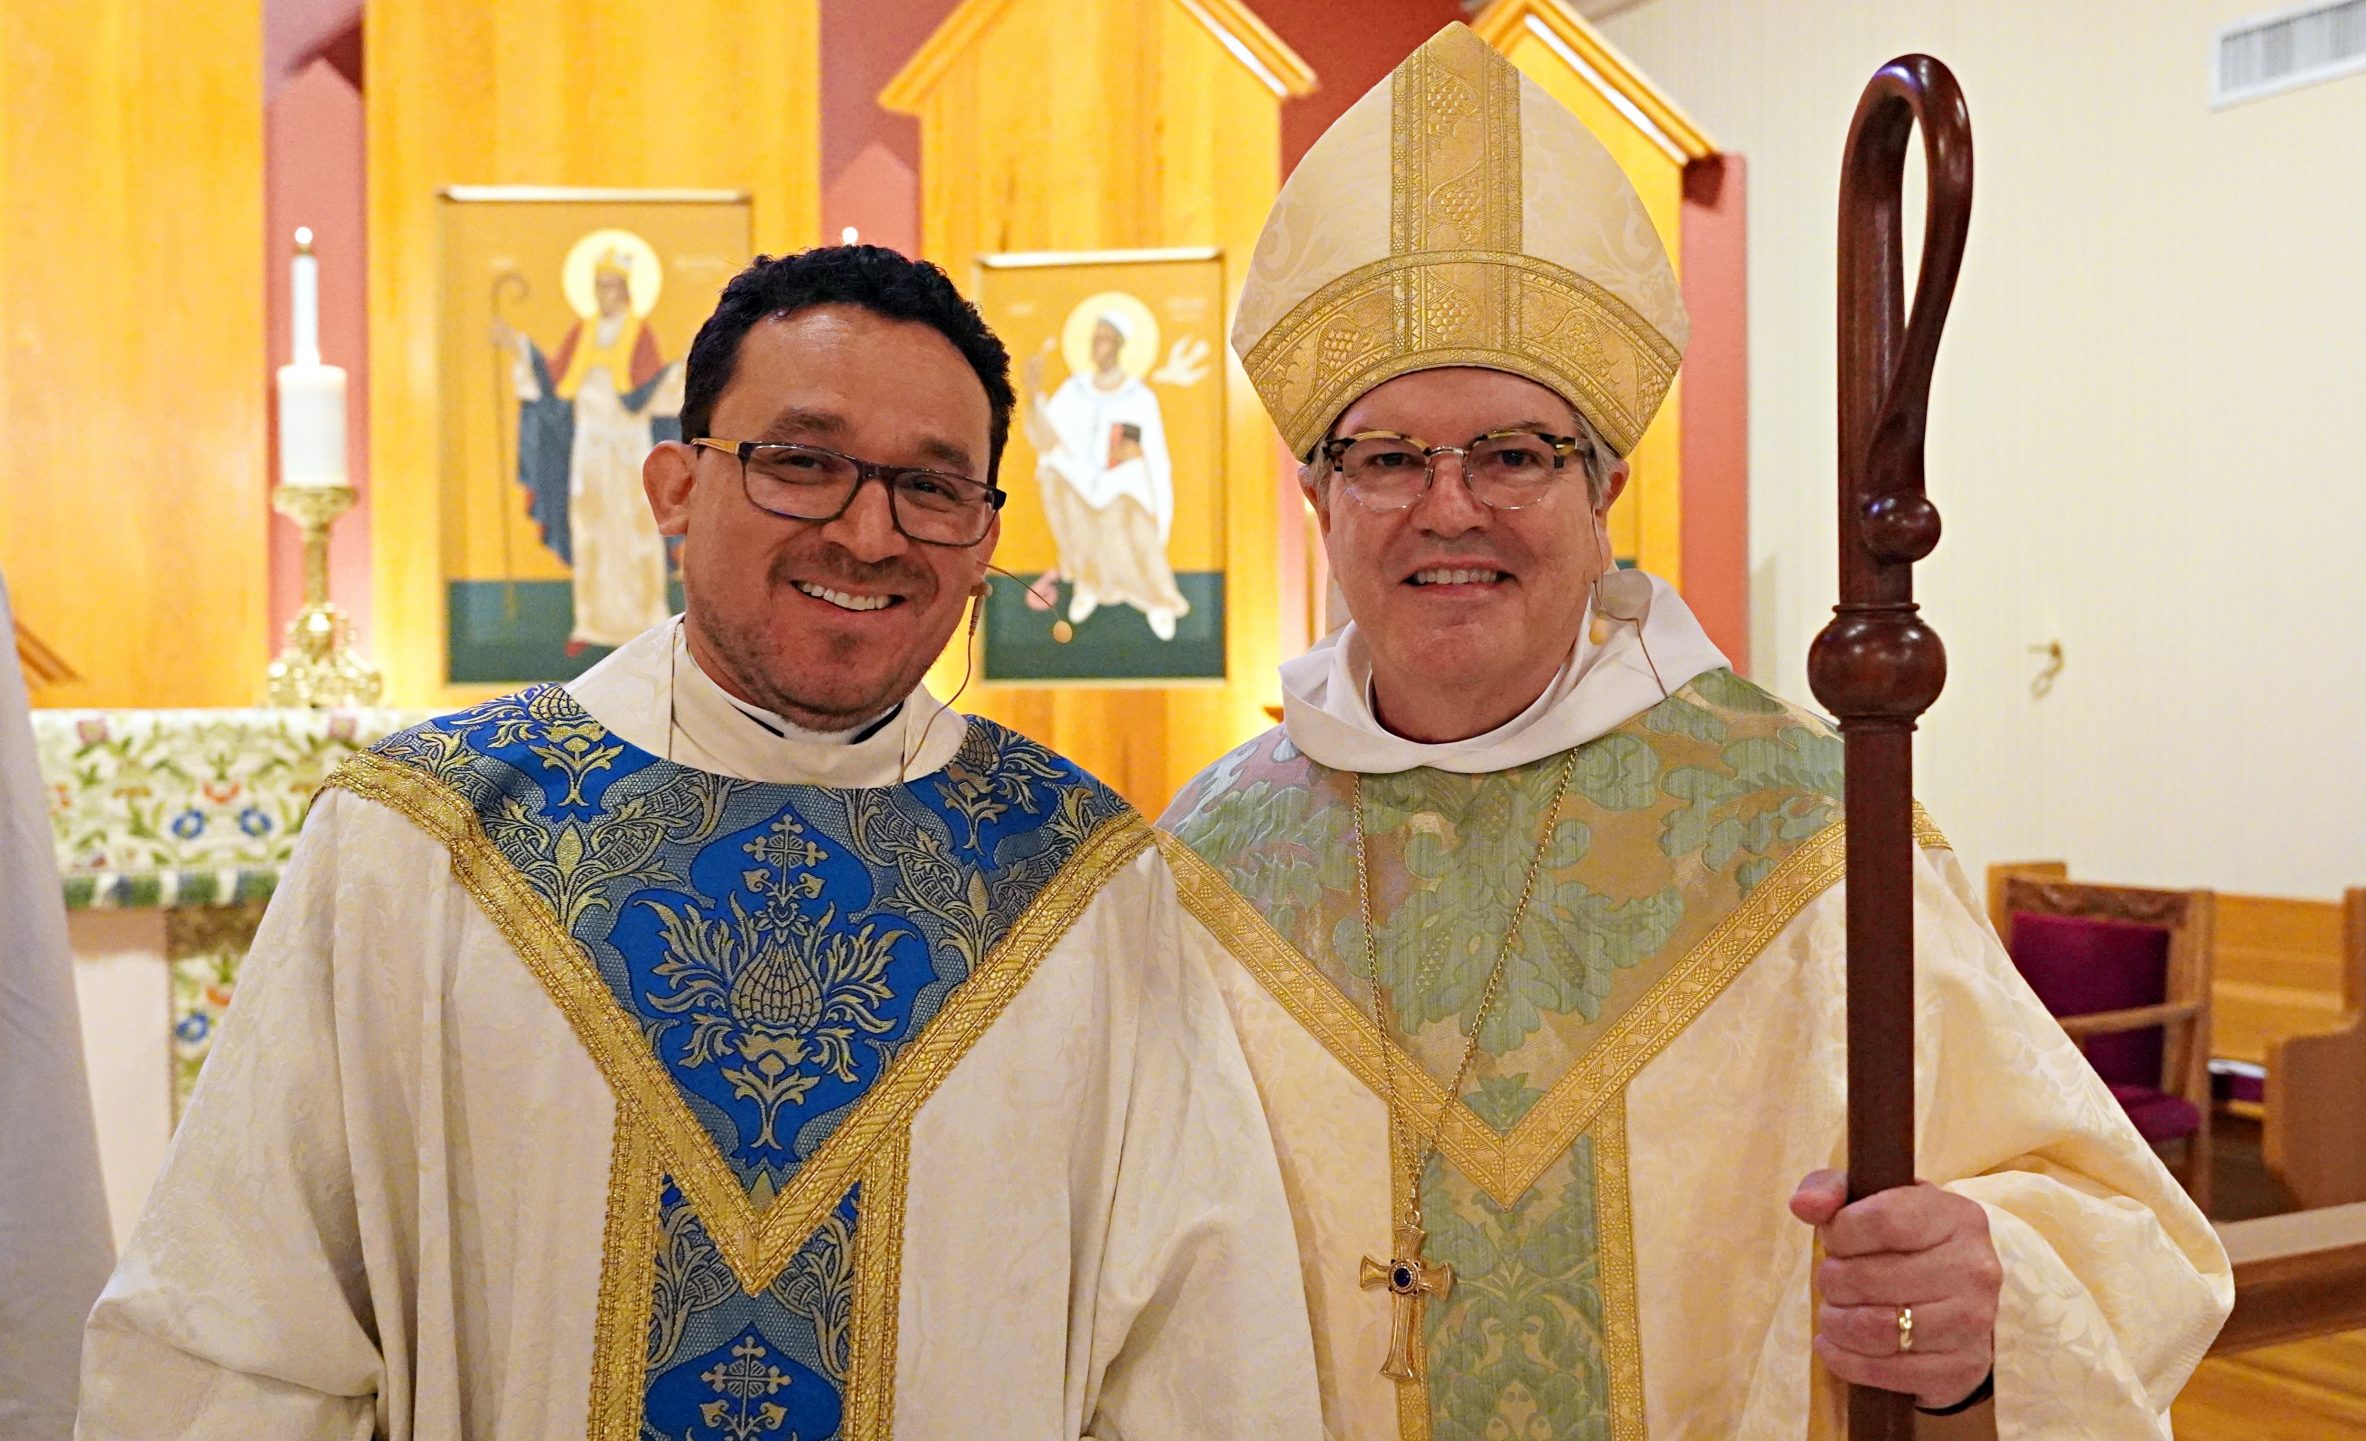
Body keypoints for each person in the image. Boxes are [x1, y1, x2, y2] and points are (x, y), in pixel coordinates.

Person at [1158, 25, 2231, 1439]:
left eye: (1515, 453)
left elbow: (2112, 1230)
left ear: (1605, 489)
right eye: (1388, 458)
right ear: (1319, 498)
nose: (1449, 506)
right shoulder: (1209, 863)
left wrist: (1983, 1301)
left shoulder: (1797, 828)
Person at [81, 245, 1323, 1440]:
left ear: (984, 538)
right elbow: (241, 1333)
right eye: (803, 462)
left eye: (932, 487)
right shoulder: (424, 840)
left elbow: (1198, 1363)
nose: (869, 533)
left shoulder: (1077, 882)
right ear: (674, 487)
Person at [498, 245, 681, 652]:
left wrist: (679, 372)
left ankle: (644, 623)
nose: (604, 293)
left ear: (626, 290)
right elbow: (553, 381)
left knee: (635, 527)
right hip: (589, 448)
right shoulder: (582, 332)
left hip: (629, 449)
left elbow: (654, 390)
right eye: (599, 286)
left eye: (611, 286)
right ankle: (592, 624)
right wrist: (520, 347)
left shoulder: (639, 333)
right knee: (590, 528)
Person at [1021, 307, 1189, 640]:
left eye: (1106, 339)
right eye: (1095, 339)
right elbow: (1046, 439)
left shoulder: (1140, 398)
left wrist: (1163, 517)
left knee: (1126, 517)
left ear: (1119, 346)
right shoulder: (1075, 389)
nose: (1098, 346)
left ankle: (1157, 601)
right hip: (1083, 482)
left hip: (1125, 489)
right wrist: (1033, 393)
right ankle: (1089, 585)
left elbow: (1156, 460)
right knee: (1054, 475)